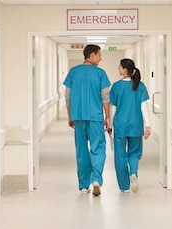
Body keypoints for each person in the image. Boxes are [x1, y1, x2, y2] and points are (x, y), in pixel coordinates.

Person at [63, 44, 111, 196]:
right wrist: (107, 116)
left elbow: (68, 97)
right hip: (95, 117)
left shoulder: (73, 72)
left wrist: (70, 116)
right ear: (91, 55)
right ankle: (96, 179)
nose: (101, 58)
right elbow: (105, 97)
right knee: (98, 148)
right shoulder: (100, 73)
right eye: (99, 55)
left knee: (81, 151)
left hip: (78, 117)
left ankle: (84, 186)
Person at [109, 58, 151, 193]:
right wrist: (148, 126)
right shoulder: (140, 85)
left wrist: (110, 123)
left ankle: (124, 186)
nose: (118, 69)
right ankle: (133, 173)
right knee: (134, 153)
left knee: (120, 156)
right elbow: (144, 107)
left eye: (119, 67)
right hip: (136, 126)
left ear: (124, 69)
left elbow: (113, 109)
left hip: (120, 126)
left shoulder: (116, 86)